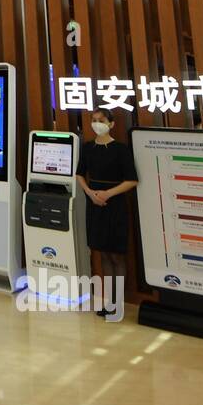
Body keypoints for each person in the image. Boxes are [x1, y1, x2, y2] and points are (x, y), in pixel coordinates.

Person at [75, 108, 138, 319]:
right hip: (95, 204)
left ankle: (117, 304)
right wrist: (90, 193)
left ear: (111, 124)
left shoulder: (121, 149)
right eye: (93, 120)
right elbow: (80, 174)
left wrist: (107, 194)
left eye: (101, 120)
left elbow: (132, 180)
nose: (96, 124)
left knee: (117, 255)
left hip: (115, 204)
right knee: (101, 253)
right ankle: (109, 302)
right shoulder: (88, 148)